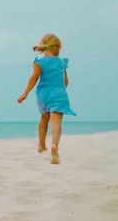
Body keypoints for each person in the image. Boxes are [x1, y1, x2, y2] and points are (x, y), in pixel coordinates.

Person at [17, 33, 76, 164]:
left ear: (44, 47)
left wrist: (24, 93)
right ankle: (54, 146)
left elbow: (34, 78)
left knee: (44, 117)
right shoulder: (61, 62)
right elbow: (66, 81)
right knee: (56, 122)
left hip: (43, 94)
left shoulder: (39, 62)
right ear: (57, 48)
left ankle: (41, 145)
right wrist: (60, 92)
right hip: (59, 93)